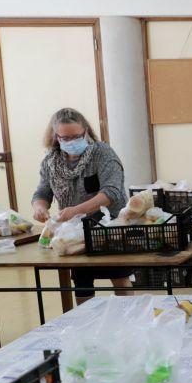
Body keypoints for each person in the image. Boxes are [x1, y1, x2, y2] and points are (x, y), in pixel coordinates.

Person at [31, 108, 131, 304]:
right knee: (82, 280)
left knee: (119, 276)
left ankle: (128, 318)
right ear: (55, 137)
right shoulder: (51, 161)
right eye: (65, 138)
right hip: (74, 234)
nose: (71, 141)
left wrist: (76, 210)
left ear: (86, 131)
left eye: (76, 136)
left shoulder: (102, 153)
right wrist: (39, 207)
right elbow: (42, 192)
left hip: (109, 228)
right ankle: (82, 323)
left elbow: (111, 192)